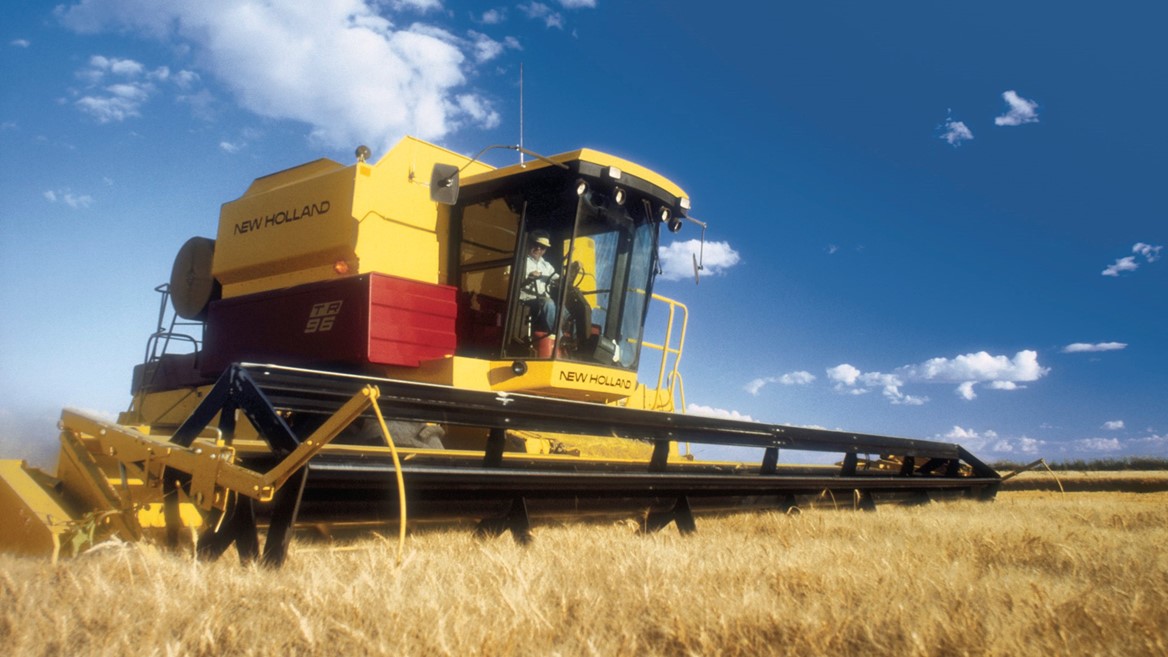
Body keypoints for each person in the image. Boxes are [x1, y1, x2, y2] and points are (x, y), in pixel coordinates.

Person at [519, 230, 560, 333]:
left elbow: (558, 280)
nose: (538, 248)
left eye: (542, 247)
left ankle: (575, 343)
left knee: (565, 310)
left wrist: (572, 271)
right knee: (549, 303)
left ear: (546, 249)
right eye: (536, 245)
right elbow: (508, 282)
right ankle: (558, 339)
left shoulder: (546, 265)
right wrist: (529, 279)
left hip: (542, 301)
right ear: (530, 244)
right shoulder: (520, 261)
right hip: (526, 300)